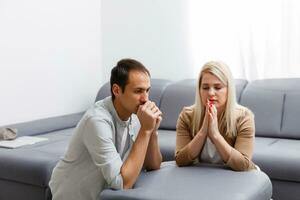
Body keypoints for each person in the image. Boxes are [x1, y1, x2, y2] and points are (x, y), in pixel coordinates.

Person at [49, 58, 162, 200]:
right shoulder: (96, 120)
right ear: (116, 90)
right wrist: (145, 131)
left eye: (147, 91)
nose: (145, 99)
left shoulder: (136, 115)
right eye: (138, 91)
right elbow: (123, 184)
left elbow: (153, 165)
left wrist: (152, 131)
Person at [175, 61, 257, 171]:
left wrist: (215, 135)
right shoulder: (187, 116)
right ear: (199, 90)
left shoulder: (244, 117)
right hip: (203, 176)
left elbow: (243, 165)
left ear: (229, 90)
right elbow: (180, 160)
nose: (211, 93)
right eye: (205, 87)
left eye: (218, 87)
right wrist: (203, 132)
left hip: (235, 177)